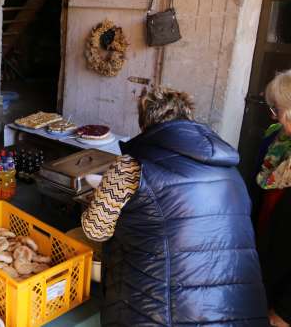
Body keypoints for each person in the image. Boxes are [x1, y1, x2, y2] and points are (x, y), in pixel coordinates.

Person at [81, 86, 268, 326]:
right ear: (188, 116)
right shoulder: (230, 170)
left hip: (160, 309)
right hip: (233, 308)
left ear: (144, 121)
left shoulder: (131, 166)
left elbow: (95, 229)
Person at [253, 70, 291, 327]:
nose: (272, 115)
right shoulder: (276, 139)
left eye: (277, 109)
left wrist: (285, 312)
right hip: (264, 259)